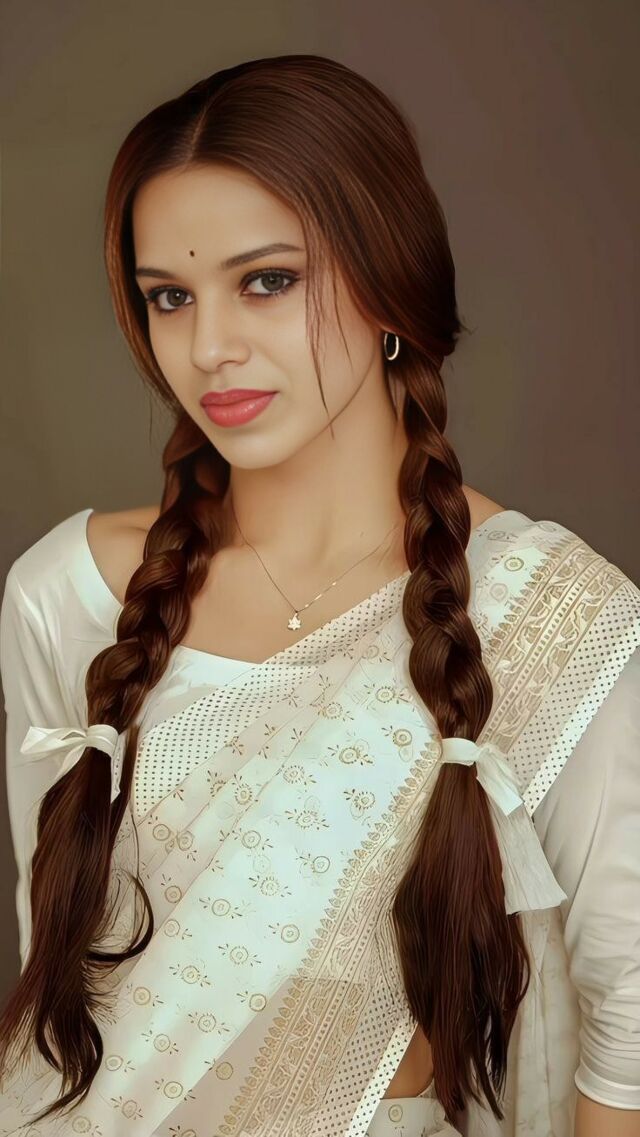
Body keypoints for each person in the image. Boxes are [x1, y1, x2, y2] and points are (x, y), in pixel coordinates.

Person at [0, 53, 639, 1137]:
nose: (210, 347)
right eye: (169, 297)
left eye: (267, 281)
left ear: (390, 279)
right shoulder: (70, 595)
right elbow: (59, 994)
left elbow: (630, 1030)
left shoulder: (546, 614)